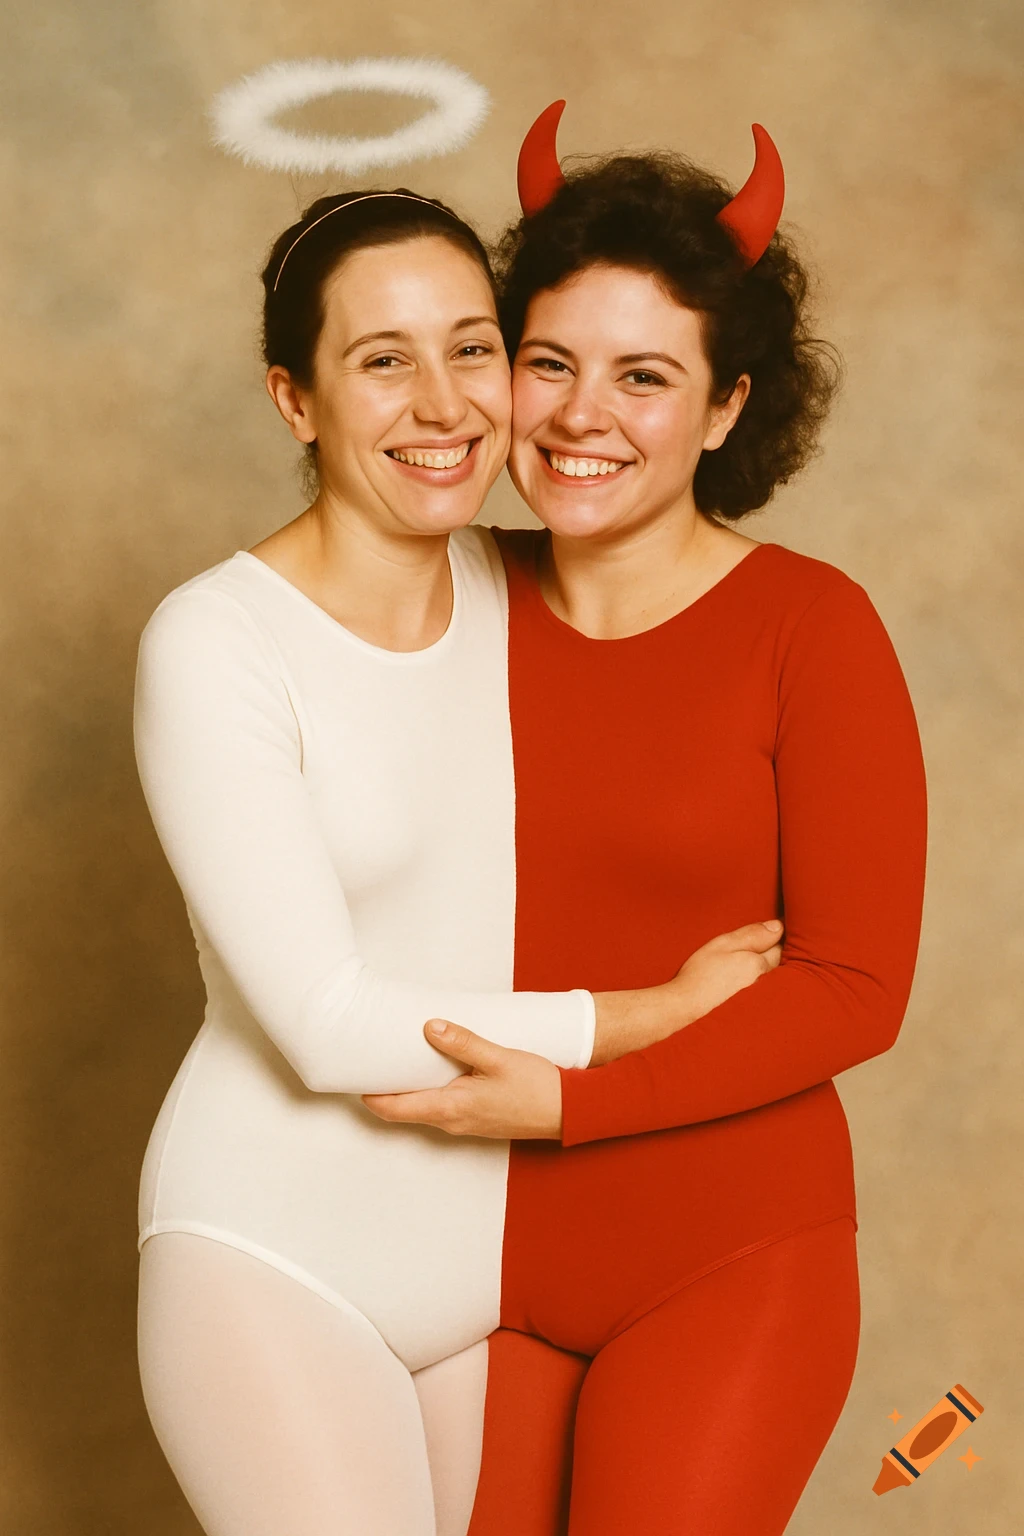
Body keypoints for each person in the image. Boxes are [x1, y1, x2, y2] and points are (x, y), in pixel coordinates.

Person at [133, 187, 783, 1536]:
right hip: (280, 1256)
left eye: (473, 347)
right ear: (294, 400)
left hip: (495, 1281)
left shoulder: (528, 586)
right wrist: (651, 1019)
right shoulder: (215, 642)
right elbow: (322, 1022)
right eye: (383, 360)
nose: (443, 404)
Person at [362, 111, 928, 1535]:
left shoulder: (812, 628)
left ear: (727, 407)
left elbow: (855, 989)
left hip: (727, 1250)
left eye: (643, 376)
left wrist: (570, 1103)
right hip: (455, 1249)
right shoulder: (433, 596)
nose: (578, 416)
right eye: (546, 362)